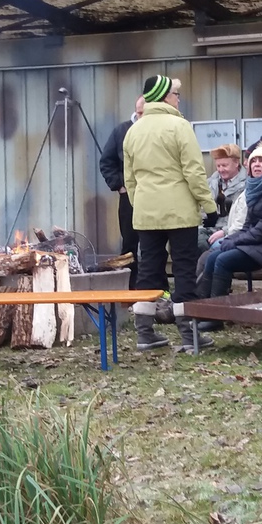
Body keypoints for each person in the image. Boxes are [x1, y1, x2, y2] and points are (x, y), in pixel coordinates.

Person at [124, 74, 218, 352]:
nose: (179, 99)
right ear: (166, 96)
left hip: (146, 214)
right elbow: (194, 171)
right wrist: (209, 205)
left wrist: (140, 203)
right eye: (176, 94)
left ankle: (144, 333)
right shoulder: (180, 126)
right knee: (184, 269)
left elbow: (130, 179)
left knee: (148, 270)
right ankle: (189, 335)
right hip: (179, 212)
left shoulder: (134, 131)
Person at [196, 141, 262, 331]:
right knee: (213, 256)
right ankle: (202, 310)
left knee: (224, 260)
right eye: (254, 161)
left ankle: (217, 317)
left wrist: (237, 240)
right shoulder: (256, 189)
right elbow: (248, 225)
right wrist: (231, 239)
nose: (257, 164)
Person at [99, 95, 145, 286]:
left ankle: (155, 287)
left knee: (154, 244)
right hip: (129, 198)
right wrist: (119, 186)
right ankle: (130, 288)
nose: (141, 116)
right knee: (129, 244)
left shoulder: (158, 130)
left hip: (154, 197)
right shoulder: (122, 131)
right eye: (139, 112)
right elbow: (106, 161)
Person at [198, 143, 246, 253]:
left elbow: (244, 218)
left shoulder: (247, 186)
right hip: (209, 229)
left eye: (224, 165)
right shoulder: (211, 183)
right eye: (218, 166)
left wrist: (225, 231)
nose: (221, 170)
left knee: (216, 248)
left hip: (232, 232)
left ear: (236, 163)